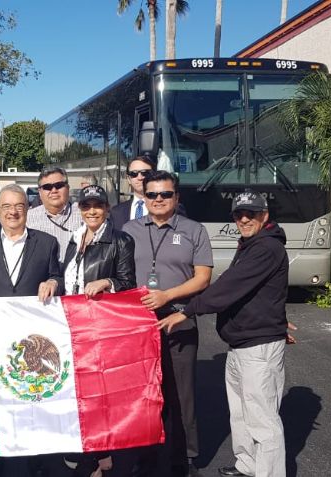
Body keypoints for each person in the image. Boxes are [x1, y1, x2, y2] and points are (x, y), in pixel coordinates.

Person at [159, 190, 290, 477]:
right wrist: (279, 320)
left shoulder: (266, 248)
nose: (244, 219)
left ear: (264, 216)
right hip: (244, 342)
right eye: (238, 214)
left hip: (258, 346)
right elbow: (264, 293)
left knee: (263, 421)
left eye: (251, 214)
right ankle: (247, 465)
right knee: (242, 413)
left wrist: (187, 311)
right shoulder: (252, 244)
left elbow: (229, 287)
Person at [122, 171, 213, 477]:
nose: (158, 200)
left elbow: (203, 278)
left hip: (178, 319)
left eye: (165, 194)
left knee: (180, 394)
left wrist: (167, 296)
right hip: (139, 324)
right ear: (143, 197)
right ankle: (145, 457)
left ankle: (184, 459)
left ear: (177, 197)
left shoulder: (193, 230)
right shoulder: (129, 229)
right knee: (144, 393)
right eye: (152, 195)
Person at [0, 184, 64, 477]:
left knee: (32, 398)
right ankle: (5, 460)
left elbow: (57, 275)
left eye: (18, 206)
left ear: (27, 211)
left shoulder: (47, 242)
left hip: (33, 338)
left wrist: (53, 283)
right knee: (3, 397)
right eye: (6, 207)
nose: (12, 212)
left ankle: (37, 458)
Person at [61, 184, 135, 477]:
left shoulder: (121, 240)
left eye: (97, 205)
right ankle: (83, 446)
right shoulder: (73, 238)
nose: (91, 211)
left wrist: (107, 283)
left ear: (107, 209)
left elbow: (128, 283)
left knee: (100, 391)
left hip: (101, 326)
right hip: (73, 324)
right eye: (86, 206)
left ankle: (103, 451)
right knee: (77, 388)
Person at [26, 167, 83, 264]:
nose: (54, 190)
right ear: (40, 192)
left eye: (59, 185)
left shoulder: (84, 214)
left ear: (68, 188)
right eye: (47, 187)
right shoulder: (28, 218)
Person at [110, 156, 155, 230]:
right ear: (128, 179)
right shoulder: (116, 212)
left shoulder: (164, 208)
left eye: (145, 173)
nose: (140, 178)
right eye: (134, 174)